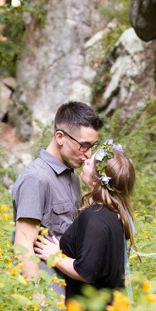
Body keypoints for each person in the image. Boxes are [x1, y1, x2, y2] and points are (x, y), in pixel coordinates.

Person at [34, 139, 135, 311]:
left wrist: (56, 255)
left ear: (98, 180)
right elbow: (97, 255)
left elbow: (87, 271)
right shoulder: (111, 213)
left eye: (89, 164)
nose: (86, 159)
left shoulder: (96, 217)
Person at [11, 101, 103, 284]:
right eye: (83, 145)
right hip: (49, 295)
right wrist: (39, 301)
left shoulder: (74, 177)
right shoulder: (36, 178)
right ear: (60, 137)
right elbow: (23, 247)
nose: (88, 154)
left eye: (92, 146)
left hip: (71, 291)